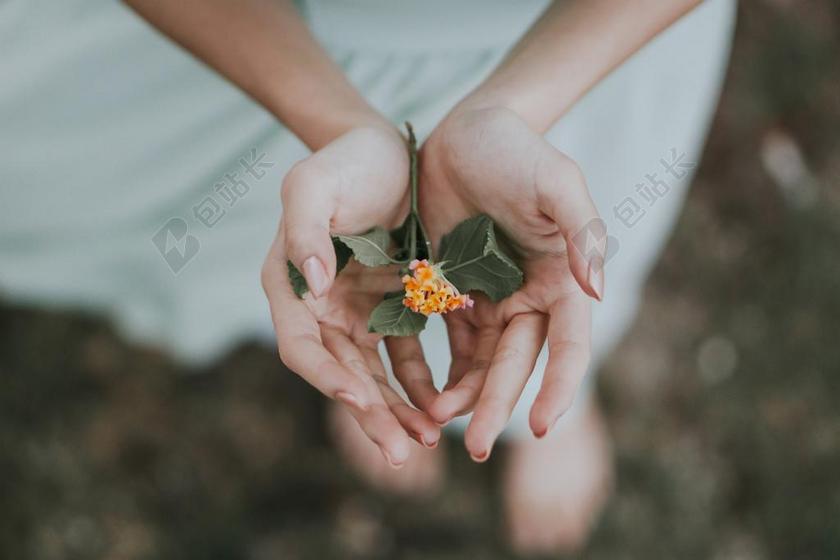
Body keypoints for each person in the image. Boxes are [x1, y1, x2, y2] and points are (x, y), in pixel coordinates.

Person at [0, 0, 735, 552]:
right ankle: (385, 385)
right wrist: (333, 121)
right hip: (279, 49)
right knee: (309, 252)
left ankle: (549, 409)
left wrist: (512, 106)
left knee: (548, 264)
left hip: (578, 52)